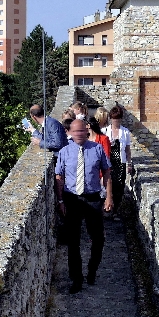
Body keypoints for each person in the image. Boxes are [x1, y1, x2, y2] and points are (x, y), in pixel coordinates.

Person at [55, 119, 113, 293]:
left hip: (93, 198)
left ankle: (92, 271)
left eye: (82, 131)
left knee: (98, 239)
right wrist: (60, 201)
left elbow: (107, 172)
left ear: (86, 132)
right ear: (70, 133)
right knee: (73, 241)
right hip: (72, 199)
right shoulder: (64, 152)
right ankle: (76, 279)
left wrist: (109, 197)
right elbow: (59, 177)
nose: (79, 134)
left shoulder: (96, 149)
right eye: (76, 131)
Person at [103, 105, 132, 201]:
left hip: (120, 163)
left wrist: (129, 164)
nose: (116, 121)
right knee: (107, 184)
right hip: (108, 163)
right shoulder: (104, 131)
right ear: (111, 119)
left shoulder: (125, 132)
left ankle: (116, 207)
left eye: (118, 119)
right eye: (114, 119)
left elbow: (127, 149)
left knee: (119, 185)